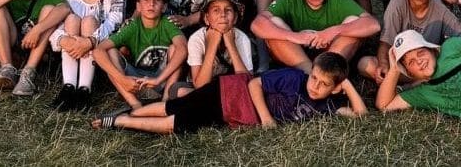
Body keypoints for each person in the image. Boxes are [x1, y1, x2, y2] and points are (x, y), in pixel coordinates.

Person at [92, 51, 365, 133]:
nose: (314, 86)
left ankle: (125, 118)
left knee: (180, 119)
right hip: (229, 91)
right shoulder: (295, 78)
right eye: (314, 78)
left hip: (232, 115)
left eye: (323, 84)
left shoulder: (327, 105)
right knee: (174, 115)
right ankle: (123, 119)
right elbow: (254, 84)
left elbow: (360, 117)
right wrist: (266, 119)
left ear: (335, 87)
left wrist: (348, 85)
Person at [250, 0, 380, 72]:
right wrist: (294, 37)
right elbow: (257, 24)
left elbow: (373, 24)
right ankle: (310, 73)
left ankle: (326, 71)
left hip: (330, 53)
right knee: (273, 25)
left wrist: (334, 31)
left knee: (353, 22)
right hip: (297, 55)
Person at [357, 0, 461, 83]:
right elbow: (385, 42)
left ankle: (419, 82)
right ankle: (423, 82)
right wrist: (383, 64)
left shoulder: (440, 9)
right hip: (402, 65)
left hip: (428, 65)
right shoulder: (398, 2)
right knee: (365, 64)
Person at [49, 0, 127, 110]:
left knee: (89, 21)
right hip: (76, 52)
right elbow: (54, 32)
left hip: (106, 50)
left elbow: (114, 22)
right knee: (71, 19)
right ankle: (69, 87)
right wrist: (65, 40)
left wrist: (89, 41)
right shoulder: (73, 0)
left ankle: (85, 89)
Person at [94, 0, 187, 108]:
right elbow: (98, 50)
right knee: (111, 52)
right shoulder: (133, 26)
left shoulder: (167, 23)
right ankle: (135, 104)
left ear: (164, 7)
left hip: (162, 79)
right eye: (146, 0)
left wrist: (157, 80)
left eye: (157, 0)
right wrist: (122, 79)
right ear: (138, 6)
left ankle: (165, 102)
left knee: (175, 48)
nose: (151, 4)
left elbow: (183, 49)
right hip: (135, 83)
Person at [182, 0, 254, 91]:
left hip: (230, 87)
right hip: (202, 89)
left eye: (228, 10)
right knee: (180, 91)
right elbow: (200, 85)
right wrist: (212, 45)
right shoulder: (197, 39)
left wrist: (231, 45)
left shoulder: (242, 38)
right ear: (207, 18)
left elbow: (247, 83)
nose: (223, 15)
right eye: (216, 10)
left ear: (235, 18)